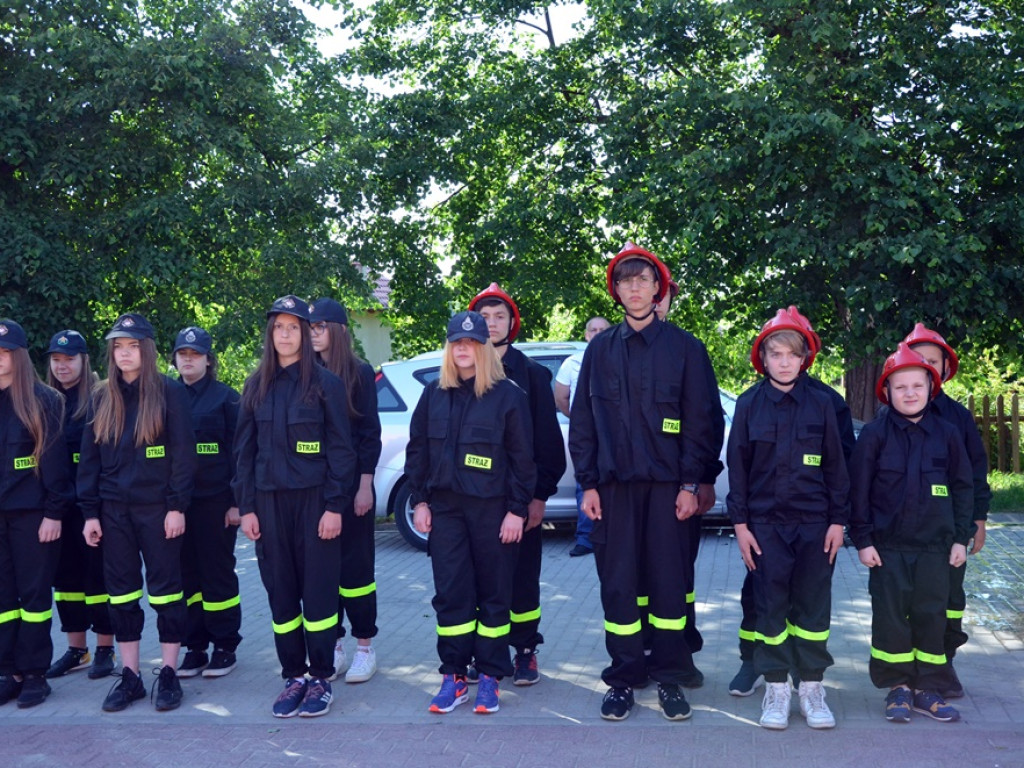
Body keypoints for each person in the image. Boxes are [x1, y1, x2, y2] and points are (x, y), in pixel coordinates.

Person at [568, 242, 720, 722]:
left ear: (658, 289)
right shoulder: (598, 351)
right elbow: (584, 423)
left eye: (643, 279)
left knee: (669, 586)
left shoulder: (687, 349)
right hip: (612, 493)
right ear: (616, 291)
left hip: (668, 492)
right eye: (625, 280)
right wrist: (588, 484)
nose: (634, 287)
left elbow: (704, 422)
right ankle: (625, 677)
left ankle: (671, 677)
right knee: (619, 586)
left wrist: (691, 484)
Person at [406, 311, 535, 714]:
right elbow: (417, 452)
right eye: (456, 343)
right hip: (445, 511)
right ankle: (454, 676)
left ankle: (492, 677)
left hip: (494, 512)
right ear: (449, 348)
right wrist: (420, 501)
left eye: (471, 342)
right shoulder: (433, 394)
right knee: (451, 596)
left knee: (495, 596)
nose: (463, 349)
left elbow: (523, 461)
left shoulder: (508, 396)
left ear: (484, 348)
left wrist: (517, 511)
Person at [726, 308, 849, 730]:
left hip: (816, 526)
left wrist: (838, 521)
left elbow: (837, 467)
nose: (783, 361)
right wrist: (741, 526)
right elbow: (737, 469)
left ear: (804, 359)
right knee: (770, 608)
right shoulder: (748, 404)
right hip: (764, 528)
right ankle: (777, 688)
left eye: (791, 354)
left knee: (814, 609)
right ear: (763, 358)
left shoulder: (823, 404)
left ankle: (812, 687)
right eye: (774, 353)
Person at [233, 295, 356, 718]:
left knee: (319, 595)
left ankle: (321, 676)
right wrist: (246, 507)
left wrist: (335, 506)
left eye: (293, 327)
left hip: (315, 503)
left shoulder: (327, 385)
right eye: (278, 327)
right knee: (281, 596)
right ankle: (293, 675)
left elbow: (343, 451)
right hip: (268, 506)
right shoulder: (255, 385)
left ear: (306, 333)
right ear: (270, 334)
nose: (285, 334)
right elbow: (243, 454)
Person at [848, 343, 973, 724]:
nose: (909, 393)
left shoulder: (948, 434)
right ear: (886, 391)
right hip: (887, 549)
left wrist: (960, 538)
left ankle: (927, 689)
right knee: (890, 618)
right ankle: (897, 688)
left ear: (931, 388)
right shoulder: (873, 435)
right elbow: (859, 492)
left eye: (917, 385)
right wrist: (864, 540)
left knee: (931, 616)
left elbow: (963, 487)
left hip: (936, 549)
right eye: (900, 387)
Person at [79, 313, 196, 712]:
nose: (124, 353)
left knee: (166, 593)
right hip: (113, 513)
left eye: (131, 346)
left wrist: (177, 506)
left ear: (145, 350)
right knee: (123, 595)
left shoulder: (168, 392)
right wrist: (90, 514)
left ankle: (168, 672)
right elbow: (88, 462)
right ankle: (130, 676)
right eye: (117, 346)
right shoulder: (100, 396)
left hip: (159, 512)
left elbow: (183, 455)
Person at [466, 283, 565, 685]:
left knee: (522, 576)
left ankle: (525, 650)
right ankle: (485, 653)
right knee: (478, 579)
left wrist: (538, 496)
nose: (491, 324)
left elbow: (547, 442)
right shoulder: (463, 371)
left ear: (512, 323)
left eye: (499, 316)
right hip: (474, 498)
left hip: (520, 498)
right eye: (485, 317)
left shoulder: (534, 376)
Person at [902, 323, 991, 699]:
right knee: (908, 602)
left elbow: (974, 472)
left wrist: (977, 522)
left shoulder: (956, 418)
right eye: (917, 359)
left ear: (944, 369)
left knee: (950, 601)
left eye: (932, 361)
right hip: (905, 535)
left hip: (949, 531)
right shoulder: (890, 415)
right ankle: (908, 671)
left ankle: (944, 661)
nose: (924, 366)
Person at [648, 276, 725, 688]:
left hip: (683, 487)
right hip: (637, 492)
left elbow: (708, 419)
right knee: (638, 577)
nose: (657, 304)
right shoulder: (618, 352)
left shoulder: (687, 350)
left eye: (664, 298)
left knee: (679, 577)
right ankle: (645, 650)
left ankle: (681, 649)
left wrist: (704, 480)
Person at [0, 319, 74, 708]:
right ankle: (7, 670)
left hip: (33, 515)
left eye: (6, 351)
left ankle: (33, 674)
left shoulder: (43, 400)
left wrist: (54, 513)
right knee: (3, 599)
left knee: (33, 597)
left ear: (19, 356)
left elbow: (55, 465)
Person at [309, 298, 382, 685]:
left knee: (357, 570)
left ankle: (365, 647)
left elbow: (370, 434)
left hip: (353, 487)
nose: (312, 334)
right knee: (324, 570)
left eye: (319, 327)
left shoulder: (358, 372)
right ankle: (333, 644)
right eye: (309, 327)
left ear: (336, 330)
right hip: (315, 489)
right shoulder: (302, 373)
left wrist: (365, 486)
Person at [44, 330, 117, 681]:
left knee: (97, 577)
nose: (62, 366)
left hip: (93, 505)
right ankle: (77, 649)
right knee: (67, 579)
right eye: (56, 360)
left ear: (84, 360)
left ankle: (105, 647)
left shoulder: (101, 398)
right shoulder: (43, 400)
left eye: (69, 359)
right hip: (58, 507)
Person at [171, 327, 243, 679]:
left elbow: (240, 454)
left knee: (217, 575)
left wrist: (236, 502)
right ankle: (195, 647)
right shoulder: (167, 397)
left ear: (208, 359)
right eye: (182, 353)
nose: (188, 359)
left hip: (216, 503)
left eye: (195, 354)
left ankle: (225, 645)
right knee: (186, 576)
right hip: (178, 506)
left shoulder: (227, 399)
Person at [554, 316, 610, 557]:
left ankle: (613, 535)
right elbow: (560, 399)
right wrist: (581, 421)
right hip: (586, 436)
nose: (597, 334)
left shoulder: (620, 359)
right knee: (584, 484)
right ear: (586, 335)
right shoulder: (572, 363)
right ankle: (586, 539)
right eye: (593, 330)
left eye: (602, 330)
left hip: (613, 435)